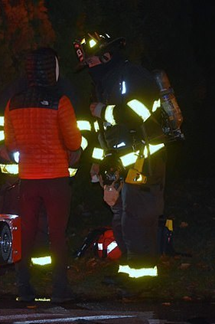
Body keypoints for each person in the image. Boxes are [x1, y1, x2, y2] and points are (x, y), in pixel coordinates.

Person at [73, 32, 177, 297]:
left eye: (93, 62)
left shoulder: (133, 76)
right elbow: (104, 133)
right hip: (123, 164)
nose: (90, 69)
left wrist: (102, 111)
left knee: (137, 220)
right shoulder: (105, 84)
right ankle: (130, 271)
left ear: (107, 57)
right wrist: (97, 163)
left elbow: (139, 112)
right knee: (121, 220)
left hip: (145, 161)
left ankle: (143, 280)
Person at [4, 47, 82, 303]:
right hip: (56, 179)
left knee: (26, 233)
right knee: (57, 235)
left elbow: (11, 144)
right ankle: (60, 290)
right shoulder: (61, 102)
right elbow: (73, 141)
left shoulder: (13, 104)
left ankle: (24, 287)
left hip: (27, 180)